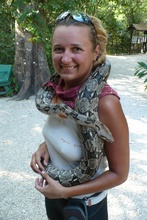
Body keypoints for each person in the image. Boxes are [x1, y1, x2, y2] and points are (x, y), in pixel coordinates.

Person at [30, 11, 129, 220]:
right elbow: (68, 132)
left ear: (95, 52)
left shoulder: (106, 103)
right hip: (53, 198)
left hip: (86, 207)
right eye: (59, 49)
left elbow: (120, 174)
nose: (65, 59)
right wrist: (45, 146)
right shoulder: (58, 89)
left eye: (76, 49)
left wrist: (66, 192)